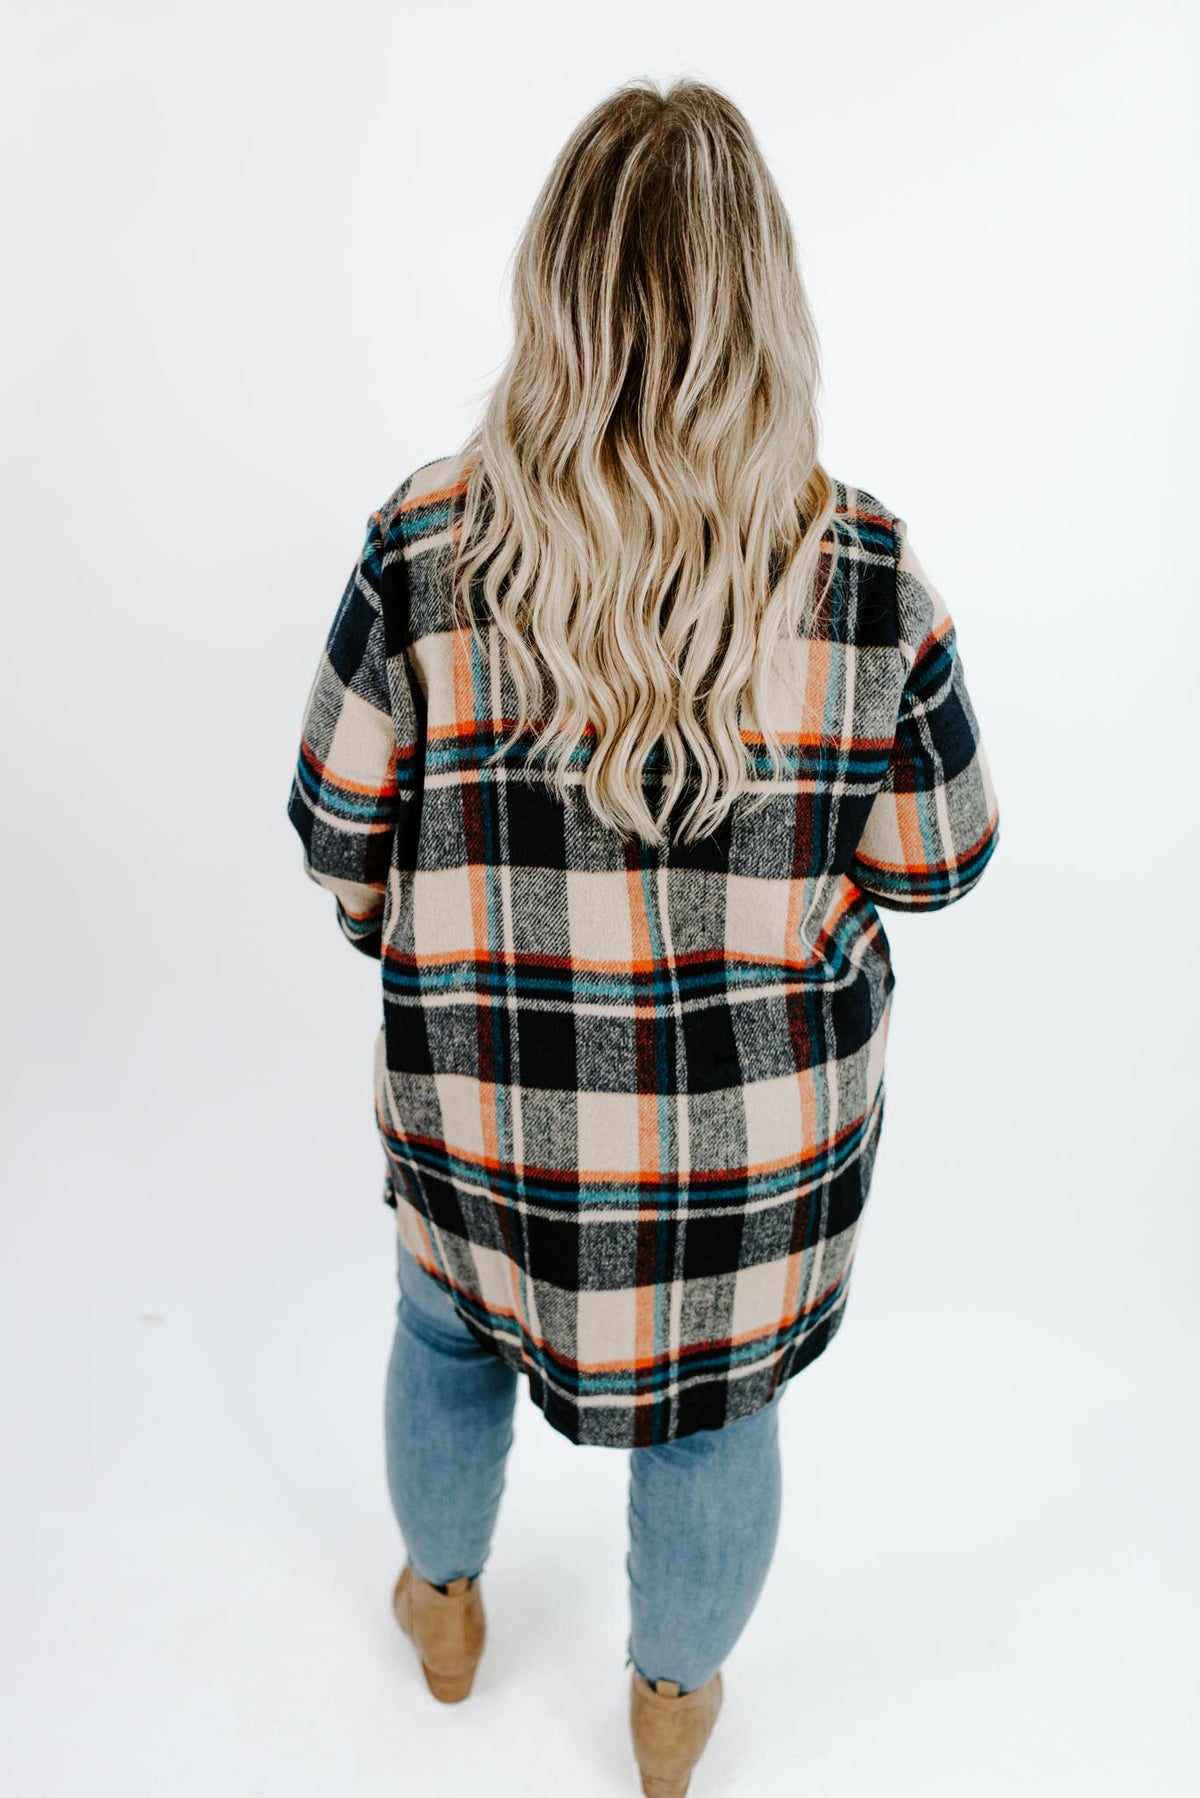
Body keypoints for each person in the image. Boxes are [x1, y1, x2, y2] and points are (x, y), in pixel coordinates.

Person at [286, 75, 1000, 1798]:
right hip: (745, 1163)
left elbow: (338, 833)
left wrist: (433, 937)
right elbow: (937, 861)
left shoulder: (421, 544)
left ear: (556, 290)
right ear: (767, 305)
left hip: (481, 1115)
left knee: (443, 1337)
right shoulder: (867, 574)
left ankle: (443, 1613)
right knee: (713, 1423)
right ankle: (671, 1717)